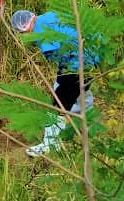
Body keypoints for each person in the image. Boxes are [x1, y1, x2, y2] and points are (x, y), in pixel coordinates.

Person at [11, 10, 98, 157]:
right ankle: (90, 126)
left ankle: (51, 145)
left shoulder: (41, 32)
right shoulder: (49, 16)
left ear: (24, 28)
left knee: (57, 106)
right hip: (93, 55)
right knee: (80, 93)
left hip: (77, 65)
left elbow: (57, 51)